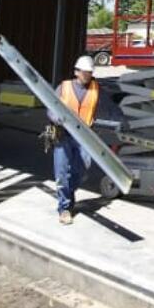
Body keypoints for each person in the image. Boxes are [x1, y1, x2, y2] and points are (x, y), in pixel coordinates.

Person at [49, 55, 100, 224]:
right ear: (76, 72)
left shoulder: (95, 88)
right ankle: (64, 208)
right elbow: (51, 107)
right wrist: (56, 118)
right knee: (62, 172)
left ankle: (69, 194)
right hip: (63, 135)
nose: (87, 76)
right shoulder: (63, 87)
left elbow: (107, 107)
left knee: (82, 169)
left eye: (89, 73)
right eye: (84, 72)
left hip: (84, 137)